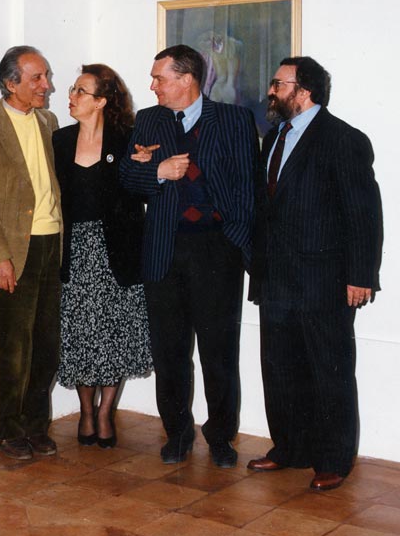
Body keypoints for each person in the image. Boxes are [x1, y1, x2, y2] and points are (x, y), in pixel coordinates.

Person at [247, 56, 383, 491]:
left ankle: (333, 460)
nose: (271, 91)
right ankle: (290, 448)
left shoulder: (343, 139)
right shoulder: (274, 137)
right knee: (280, 368)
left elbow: (363, 214)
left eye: (278, 84)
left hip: (324, 279)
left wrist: (361, 275)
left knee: (329, 370)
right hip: (276, 276)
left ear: (303, 91)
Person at [120, 44, 257, 466]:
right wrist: (157, 172)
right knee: (170, 352)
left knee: (219, 353)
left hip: (217, 250)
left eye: (159, 78)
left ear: (186, 79)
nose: (153, 86)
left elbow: (249, 187)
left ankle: (221, 438)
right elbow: (127, 176)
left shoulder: (233, 119)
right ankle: (177, 433)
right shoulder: (149, 120)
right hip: (164, 250)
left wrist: (235, 240)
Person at [0, 45, 63, 460]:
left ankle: (37, 426)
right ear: (11, 83)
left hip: (53, 244)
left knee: (47, 344)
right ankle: (7, 428)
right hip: (14, 252)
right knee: (14, 346)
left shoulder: (49, 122)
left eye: (46, 76)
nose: (46, 86)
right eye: (37, 78)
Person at [52, 65, 152, 448]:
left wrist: (144, 167)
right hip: (75, 251)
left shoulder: (127, 140)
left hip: (118, 253)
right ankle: (86, 411)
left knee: (114, 332)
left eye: (81, 91)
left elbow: (141, 192)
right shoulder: (60, 140)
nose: (71, 96)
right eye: (73, 89)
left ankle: (106, 411)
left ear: (101, 101)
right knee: (80, 332)